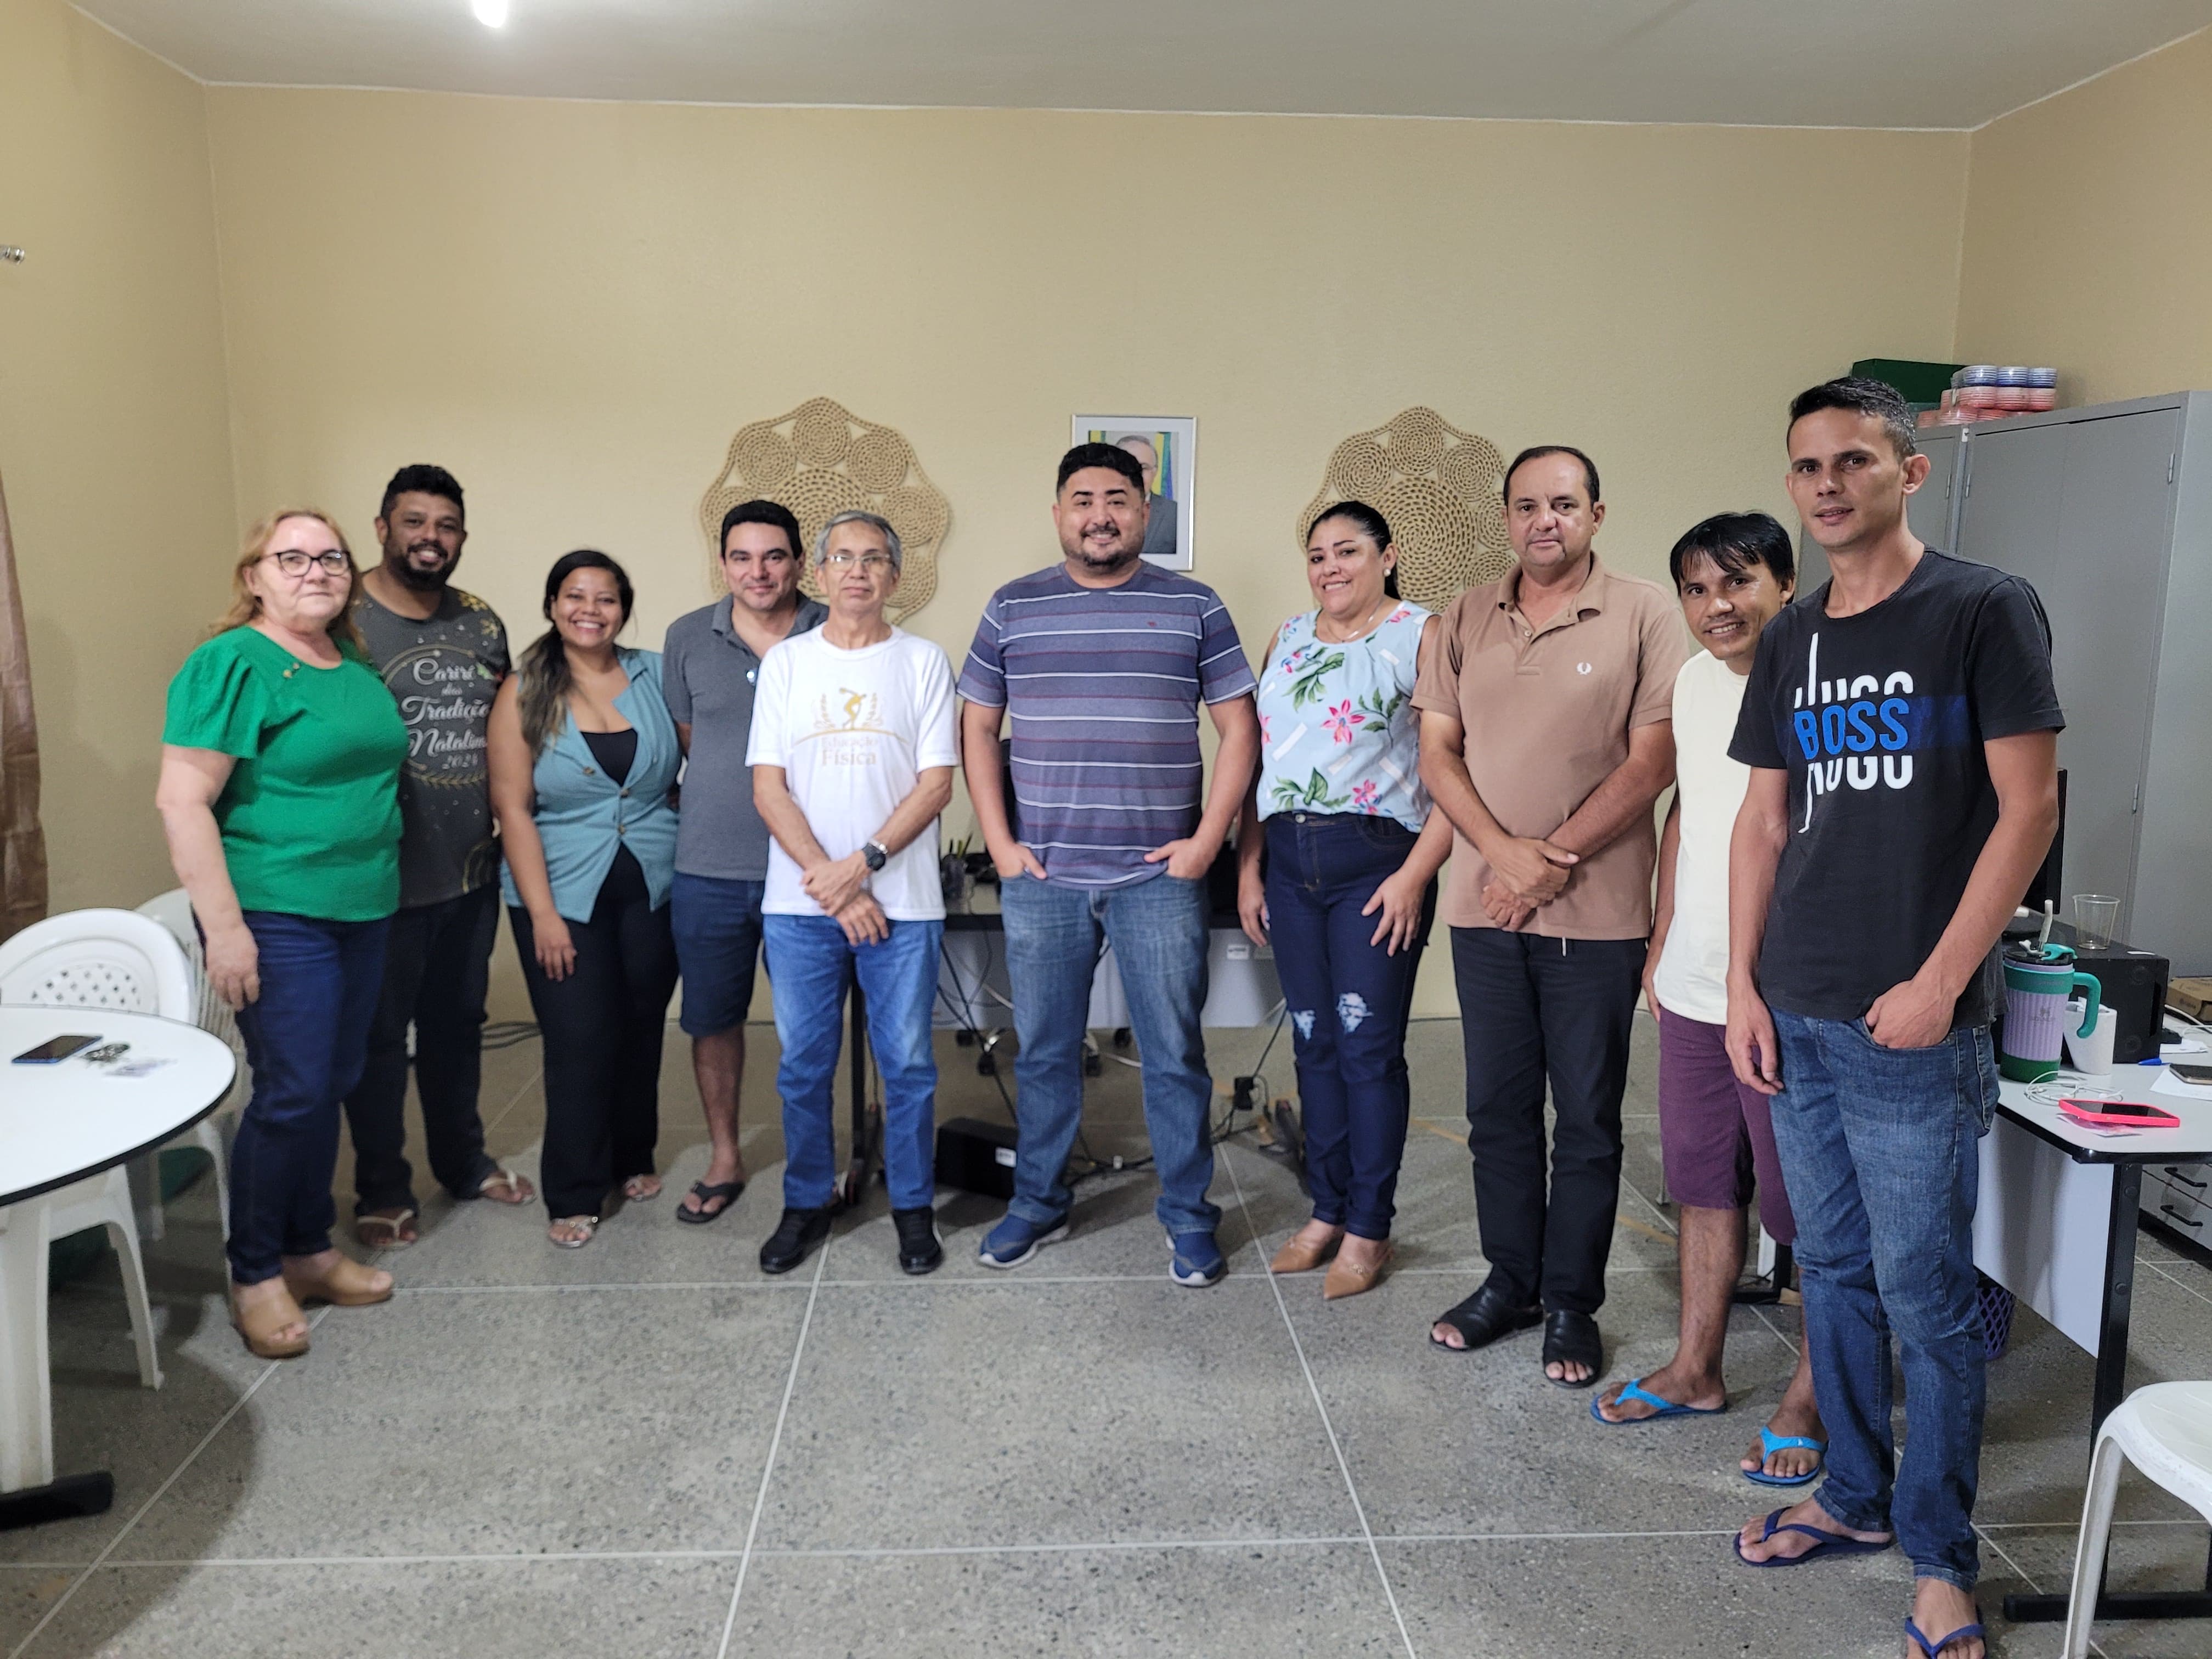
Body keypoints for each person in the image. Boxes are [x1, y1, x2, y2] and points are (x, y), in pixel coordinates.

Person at [1727, 380, 2061, 1659]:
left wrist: (1940, 981)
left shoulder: (1980, 607)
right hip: (1798, 1005)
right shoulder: (1793, 635)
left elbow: (2028, 810)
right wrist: (1743, 984)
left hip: (1913, 1022)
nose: (1827, 484)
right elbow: (1763, 824)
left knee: (1927, 1295)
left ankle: (1940, 1557)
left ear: (1909, 473)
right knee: (1834, 1272)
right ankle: (1854, 1494)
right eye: (1807, 465)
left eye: (1853, 460)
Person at [1414, 446, 1690, 1385]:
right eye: (1527, 506)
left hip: (1597, 915)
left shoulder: (1645, 612)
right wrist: (1502, 853)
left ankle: (1572, 1300)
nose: (1546, 521)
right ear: (1506, 518)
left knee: (1586, 1117)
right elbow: (1438, 753)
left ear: (1596, 515)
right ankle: (1511, 1281)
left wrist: (1544, 863)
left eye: (1564, 505)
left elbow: (1652, 762)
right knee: (1495, 1109)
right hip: (1482, 908)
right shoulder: (1463, 616)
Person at [959, 442, 1259, 1286]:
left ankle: (1189, 1216)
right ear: (1058, 514)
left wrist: (1206, 842)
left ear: (1144, 512)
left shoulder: (1195, 604)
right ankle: (1038, 1203)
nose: (1101, 516)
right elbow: (977, 727)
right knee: (1044, 1054)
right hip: (1044, 879)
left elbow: (1241, 728)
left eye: (1118, 499)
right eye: (1084, 500)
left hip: (1158, 879)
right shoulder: (1012, 606)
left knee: (1174, 1056)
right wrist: (1000, 844)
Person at [1590, 511, 1826, 1486]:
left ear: (1785, 582)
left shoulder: (1818, 680)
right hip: (1693, 984)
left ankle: (1812, 1396)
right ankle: (1696, 1367)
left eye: (1737, 582)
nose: (1715, 606)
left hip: (1783, 992)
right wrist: (1661, 939)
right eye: (1696, 589)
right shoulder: (1692, 682)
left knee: (1809, 1211)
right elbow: (1689, 810)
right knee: (1700, 1183)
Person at [156, 510, 409, 1359]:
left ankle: (308, 1250)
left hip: (362, 908)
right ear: (254, 576)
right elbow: (182, 800)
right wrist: (225, 929)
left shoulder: (351, 664)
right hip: (277, 910)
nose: (316, 571)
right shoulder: (232, 662)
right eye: (292, 557)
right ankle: (256, 1270)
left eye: (331, 557)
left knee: (331, 1082)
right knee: (292, 1090)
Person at [1236, 501, 1452, 1300]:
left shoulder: (1422, 636)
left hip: (1378, 866)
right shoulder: (1287, 638)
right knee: (1312, 1042)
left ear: (1386, 556)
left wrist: (1416, 875)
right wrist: (1249, 867)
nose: (1331, 567)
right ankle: (1325, 1210)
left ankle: (1369, 1227)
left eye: (1348, 551)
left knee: (1367, 1049)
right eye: (1318, 554)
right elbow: (1261, 763)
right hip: (1290, 863)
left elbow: (1455, 769)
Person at [748, 511, 957, 1276]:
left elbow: (936, 785)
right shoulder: (786, 664)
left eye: (873, 559)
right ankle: (807, 1201)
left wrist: (862, 864)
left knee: (907, 1066)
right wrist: (835, 886)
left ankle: (912, 1208)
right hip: (801, 907)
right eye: (842, 558)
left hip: (902, 905)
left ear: (895, 576)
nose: (858, 571)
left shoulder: (923, 662)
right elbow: (768, 789)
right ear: (819, 573)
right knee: (804, 1065)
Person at [342, 463, 533, 1249]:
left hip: (468, 870)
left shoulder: (481, 623)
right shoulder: (342, 617)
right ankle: (382, 1187)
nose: (431, 538)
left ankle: (463, 1162)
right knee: (379, 1040)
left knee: (457, 1026)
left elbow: (508, 732)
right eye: (414, 522)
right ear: (382, 528)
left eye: (446, 526)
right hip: (378, 877)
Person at [488, 551, 682, 1250]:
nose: (590, 611)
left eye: (606, 599)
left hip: (655, 883)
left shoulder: (656, 674)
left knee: (641, 1025)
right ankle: (573, 1189)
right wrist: (543, 916)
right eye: (576, 597)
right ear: (552, 605)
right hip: (562, 892)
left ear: (623, 609)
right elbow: (512, 807)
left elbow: (704, 754)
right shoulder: (524, 690)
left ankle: (633, 1155)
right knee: (580, 1038)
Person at [662, 500, 828, 1224]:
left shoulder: (837, 630)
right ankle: (726, 1155)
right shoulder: (686, 637)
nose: (758, 572)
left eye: (774, 556)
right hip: (711, 868)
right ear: (723, 563)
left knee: (816, 1027)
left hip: (815, 869)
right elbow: (692, 739)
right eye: (742, 557)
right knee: (713, 1019)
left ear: (799, 563)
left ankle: (826, 1154)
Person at [1113, 432, 1180, 564]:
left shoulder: (1175, 513)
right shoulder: (1097, 512)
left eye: (1144, 468)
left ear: (1155, 472)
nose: (1136, 475)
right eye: (1128, 466)